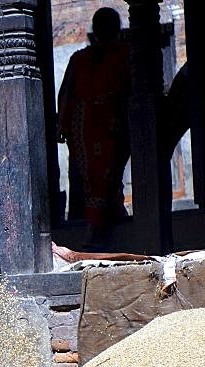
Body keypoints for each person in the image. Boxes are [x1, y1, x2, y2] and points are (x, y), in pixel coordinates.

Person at [57, 7, 132, 250]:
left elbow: (65, 94)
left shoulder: (121, 54)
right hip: (95, 127)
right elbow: (66, 92)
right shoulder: (82, 58)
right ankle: (93, 229)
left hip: (100, 126)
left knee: (104, 179)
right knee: (98, 180)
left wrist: (64, 124)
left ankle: (100, 223)